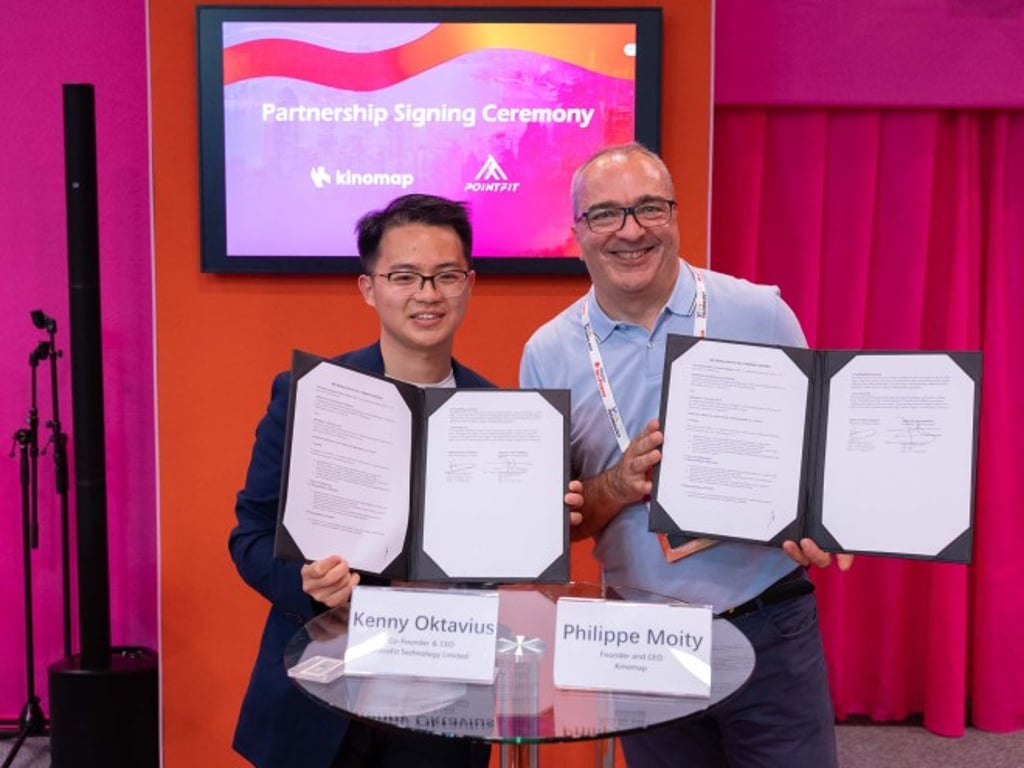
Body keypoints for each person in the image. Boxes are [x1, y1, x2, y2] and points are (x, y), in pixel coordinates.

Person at [520, 143, 853, 768]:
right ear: (578, 232)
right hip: (642, 638)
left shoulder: (759, 312)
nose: (630, 231)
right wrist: (617, 484)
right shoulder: (548, 354)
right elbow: (554, 530)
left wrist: (826, 522)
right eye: (606, 214)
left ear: (675, 215)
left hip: (767, 623)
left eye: (650, 208)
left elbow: (818, 459)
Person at [230, 193, 582, 768]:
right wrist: (306, 583)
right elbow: (249, 536)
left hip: (444, 707)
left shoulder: (508, 420)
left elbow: (501, 569)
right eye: (404, 276)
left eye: (446, 276)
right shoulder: (311, 397)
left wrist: (541, 525)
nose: (427, 294)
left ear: (469, 283)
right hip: (320, 700)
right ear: (369, 287)